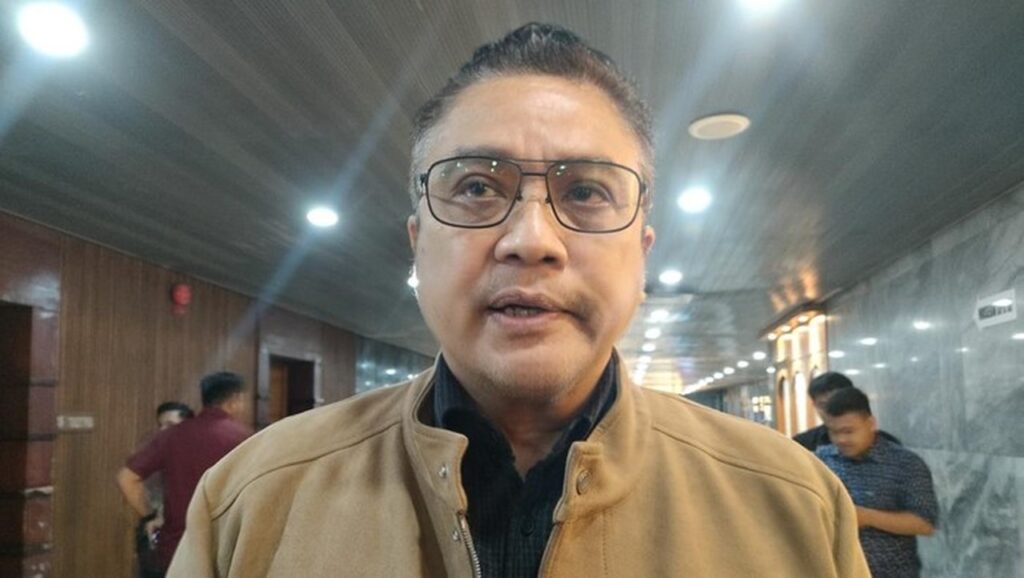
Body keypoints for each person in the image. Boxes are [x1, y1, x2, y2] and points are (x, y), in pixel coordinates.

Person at [169, 23, 869, 577]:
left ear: (642, 255)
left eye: (586, 192)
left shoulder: (793, 505)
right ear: (417, 243)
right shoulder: (252, 500)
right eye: (476, 187)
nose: (531, 240)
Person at [117, 373, 250, 577]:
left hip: (175, 551)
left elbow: (127, 478)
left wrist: (150, 515)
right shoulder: (243, 439)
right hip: (224, 552)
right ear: (235, 399)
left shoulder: (172, 435)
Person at [816, 387, 938, 578]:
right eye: (834, 432)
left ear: (871, 424)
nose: (841, 439)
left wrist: (866, 517)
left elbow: (925, 523)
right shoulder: (822, 460)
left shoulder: (905, 464)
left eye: (848, 431)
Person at [136, 401, 196, 577]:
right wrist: (151, 516)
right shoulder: (153, 451)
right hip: (157, 527)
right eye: (160, 425)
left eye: (170, 425)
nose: (163, 431)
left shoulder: (197, 453)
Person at [794, 371, 901, 451]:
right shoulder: (802, 445)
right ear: (814, 405)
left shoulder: (891, 447)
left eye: (837, 403)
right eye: (823, 405)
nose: (830, 410)